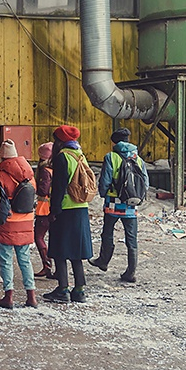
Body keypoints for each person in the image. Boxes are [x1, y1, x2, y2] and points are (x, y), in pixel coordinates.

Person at [42, 125, 94, 304]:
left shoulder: (62, 157)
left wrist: (54, 210)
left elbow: (58, 188)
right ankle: (79, 290)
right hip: (81, 207)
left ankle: (62, 289)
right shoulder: (80, 155)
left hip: (65, 209)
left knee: (60, 250)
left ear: (60, 140)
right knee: (76, 251)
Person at [91, 128, 148, 283]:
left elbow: (105, 180)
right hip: (131, 204)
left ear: (114, 141)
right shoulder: (138, 158)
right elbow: (145, 182)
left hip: (113, 203)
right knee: (131, 238)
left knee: (108, 232)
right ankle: (130, 272)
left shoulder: (111, 157)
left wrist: (103, 194)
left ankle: (103, 261)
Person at [0, 140, 38, 308]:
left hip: (8, 223)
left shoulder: (0, 176)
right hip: (26, 222)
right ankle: (31, 296)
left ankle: (8, 296)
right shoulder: (30, 176)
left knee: (5, 260)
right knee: (25, 259)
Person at [34, 142, 55, 280]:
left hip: (44, 208)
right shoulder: (56, 168)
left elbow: (43, 190)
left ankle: (47, 265)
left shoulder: (45, 171)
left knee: (38, 236)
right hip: (54, 208)